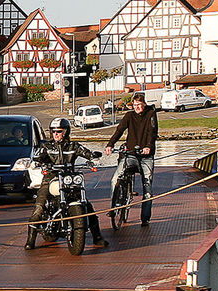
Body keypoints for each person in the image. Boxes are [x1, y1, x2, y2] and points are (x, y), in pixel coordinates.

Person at [26, 117, 104, 248]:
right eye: (54, 131)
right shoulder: (46, 146)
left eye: (59, 131)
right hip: (51, 178)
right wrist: (36, 162)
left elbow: (86, 152)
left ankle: (97, 237)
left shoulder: (73, 146)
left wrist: (93, 158)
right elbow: (37, 156)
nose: (56, 134)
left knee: (88, 207)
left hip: (69, 179)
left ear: (66, 132)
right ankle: (30, 240)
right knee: (39, 207)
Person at [106, 91, 159, 224]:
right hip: (130, 153)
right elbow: (119, 130)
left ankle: (145, 218)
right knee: (115, 179)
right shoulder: (129, 116)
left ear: (144, 104)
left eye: (139, 105)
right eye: (135, 105)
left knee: (147, 187)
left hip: (146, 156)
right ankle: (114, 206)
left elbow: (152, 132)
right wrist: (110, 144)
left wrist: (148, 146)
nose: (137, 107)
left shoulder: (150, 114)